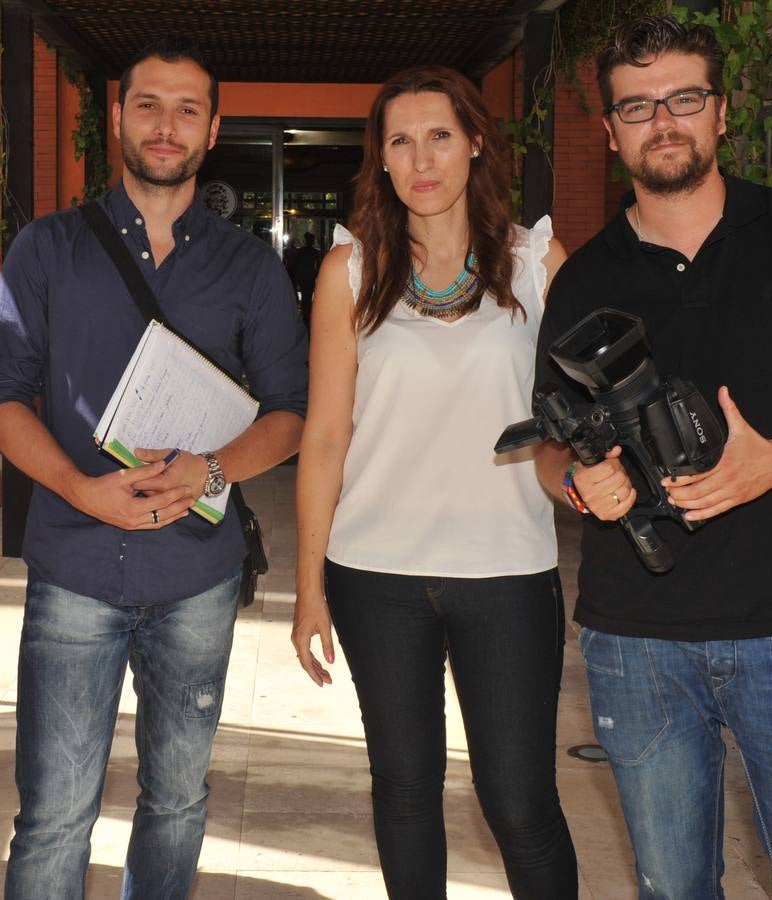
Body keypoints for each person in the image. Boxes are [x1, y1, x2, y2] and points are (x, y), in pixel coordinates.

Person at [537, 16, 772, 897]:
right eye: (636, 106)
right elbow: (550, 450)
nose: (660, 120)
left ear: (719, 114)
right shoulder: (583, 279)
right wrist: (573, 481)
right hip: (634, 637)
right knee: (672, 889)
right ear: (609, 132)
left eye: (681, 98)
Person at [0, 37, 307, 900]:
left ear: (212, 126)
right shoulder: (45, 250)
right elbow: (0, 398)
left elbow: (290, 414)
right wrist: (80, 487)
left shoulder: (248, 265)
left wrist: (212, 471)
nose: (167, 125)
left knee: (175, 802)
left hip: (195, 576)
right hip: (73, 569)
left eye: (187, 108)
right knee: (53, 813)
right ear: (117, 116)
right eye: (149, 105)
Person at [292, 65, 577, 898]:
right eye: (401, 141)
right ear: (379, 159)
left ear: (476, 143)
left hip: (508, 572)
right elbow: (323, 435)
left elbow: (573, 418)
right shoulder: (347, 273)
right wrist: (308, 586)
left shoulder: (535, 261)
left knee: (519, 804)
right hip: (373, 572)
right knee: (406, 792)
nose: (422, 159)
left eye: (440, 135)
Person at [289, 231, 321, 324]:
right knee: (307, 295)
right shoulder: (314, 252)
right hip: (308, 276)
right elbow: (318, 265)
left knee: (305, 296)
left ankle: (305, 315)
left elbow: (296, 264)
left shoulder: (302, 251)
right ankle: (306, 315)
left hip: (305, 276)